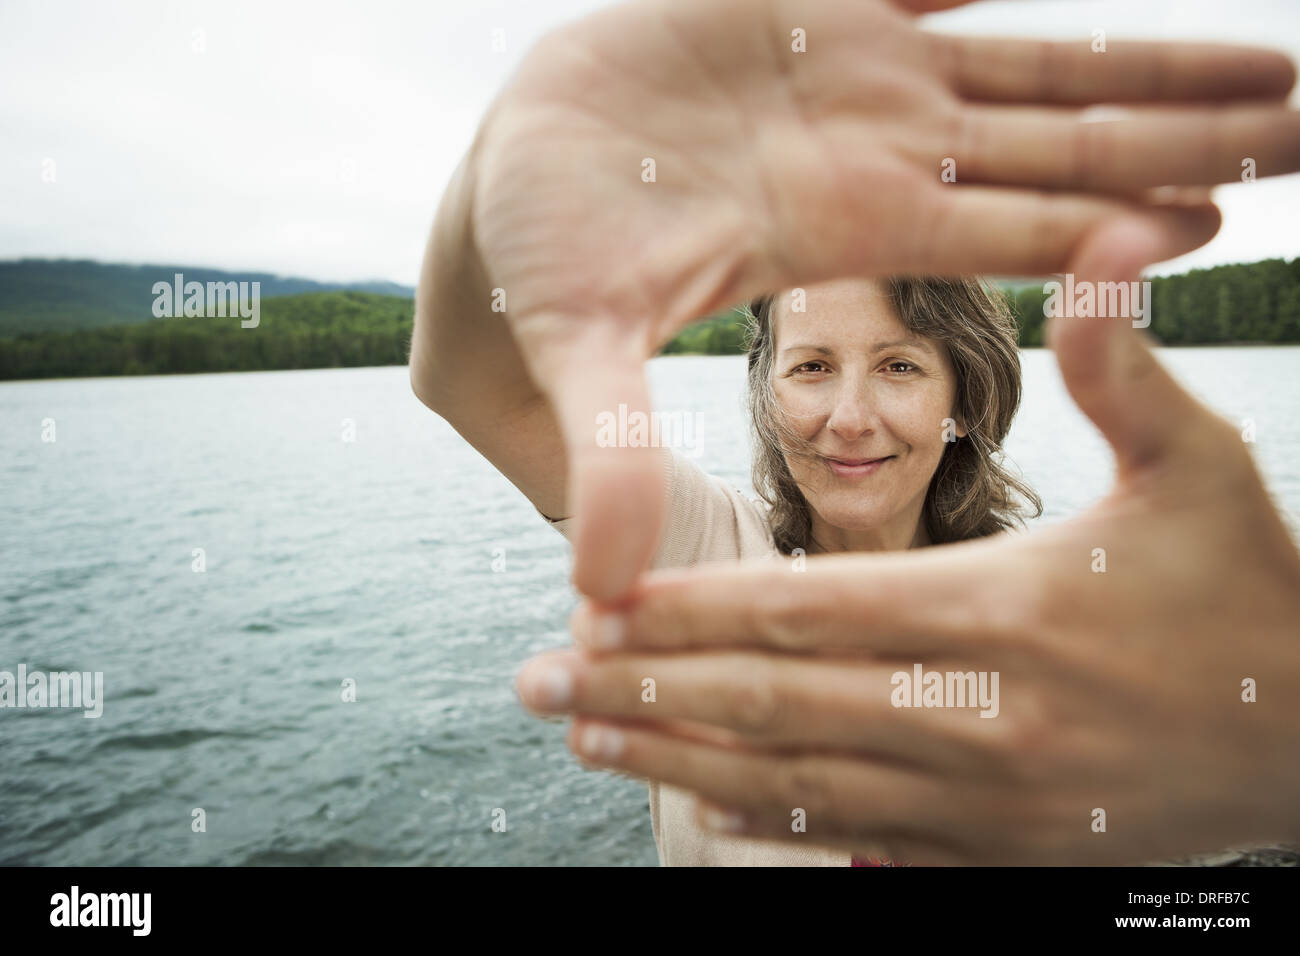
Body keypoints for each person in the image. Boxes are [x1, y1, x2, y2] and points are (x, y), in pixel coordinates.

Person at [412, 0, 1300, 864]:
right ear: (764, 387)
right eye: (809, 367)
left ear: (964, 399)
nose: (847, 416)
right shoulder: (698, 543)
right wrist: (508, 171)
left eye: (900, 366)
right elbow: (475, 385)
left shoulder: (1048, 618)